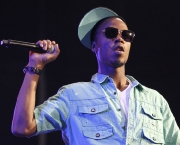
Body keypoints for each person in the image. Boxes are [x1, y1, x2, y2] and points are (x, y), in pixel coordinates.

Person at [11, 7, 180, 145]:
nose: (120, 39)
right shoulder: (73, 95)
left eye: (126, 35)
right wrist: (35, 65)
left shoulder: (155, 101)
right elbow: (22, 127)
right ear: (94, 46)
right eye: (111, 33)